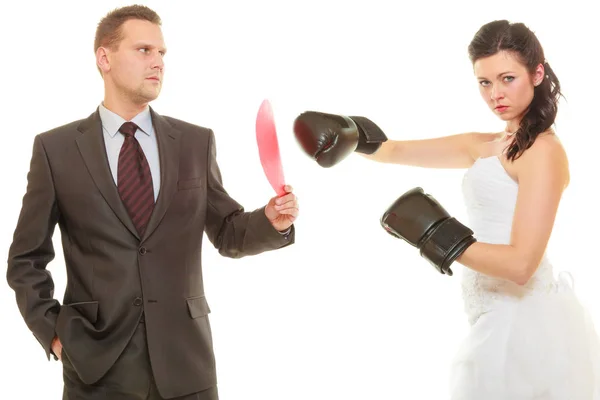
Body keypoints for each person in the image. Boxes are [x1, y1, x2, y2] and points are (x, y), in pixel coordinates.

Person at [293, 20, 600, 398]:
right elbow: (393, 150)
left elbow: (522, 265)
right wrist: (350, 133)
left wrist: (435, 234)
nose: (495, 94)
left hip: (522, 324)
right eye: (484, 82)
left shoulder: (542, 153)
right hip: (491, 313)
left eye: (507, 78)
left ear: (537, 73)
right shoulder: (488, 143)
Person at [6, 5, 298, 400]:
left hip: (186, 365)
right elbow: (26, 260)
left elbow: (228, 232)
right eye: (144, 50)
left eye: (162, 53)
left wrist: (270, 221)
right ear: (104, 58)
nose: (158, 62)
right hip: (95, 370)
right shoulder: (55, 150)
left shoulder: (195, 142)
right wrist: (54, 333)